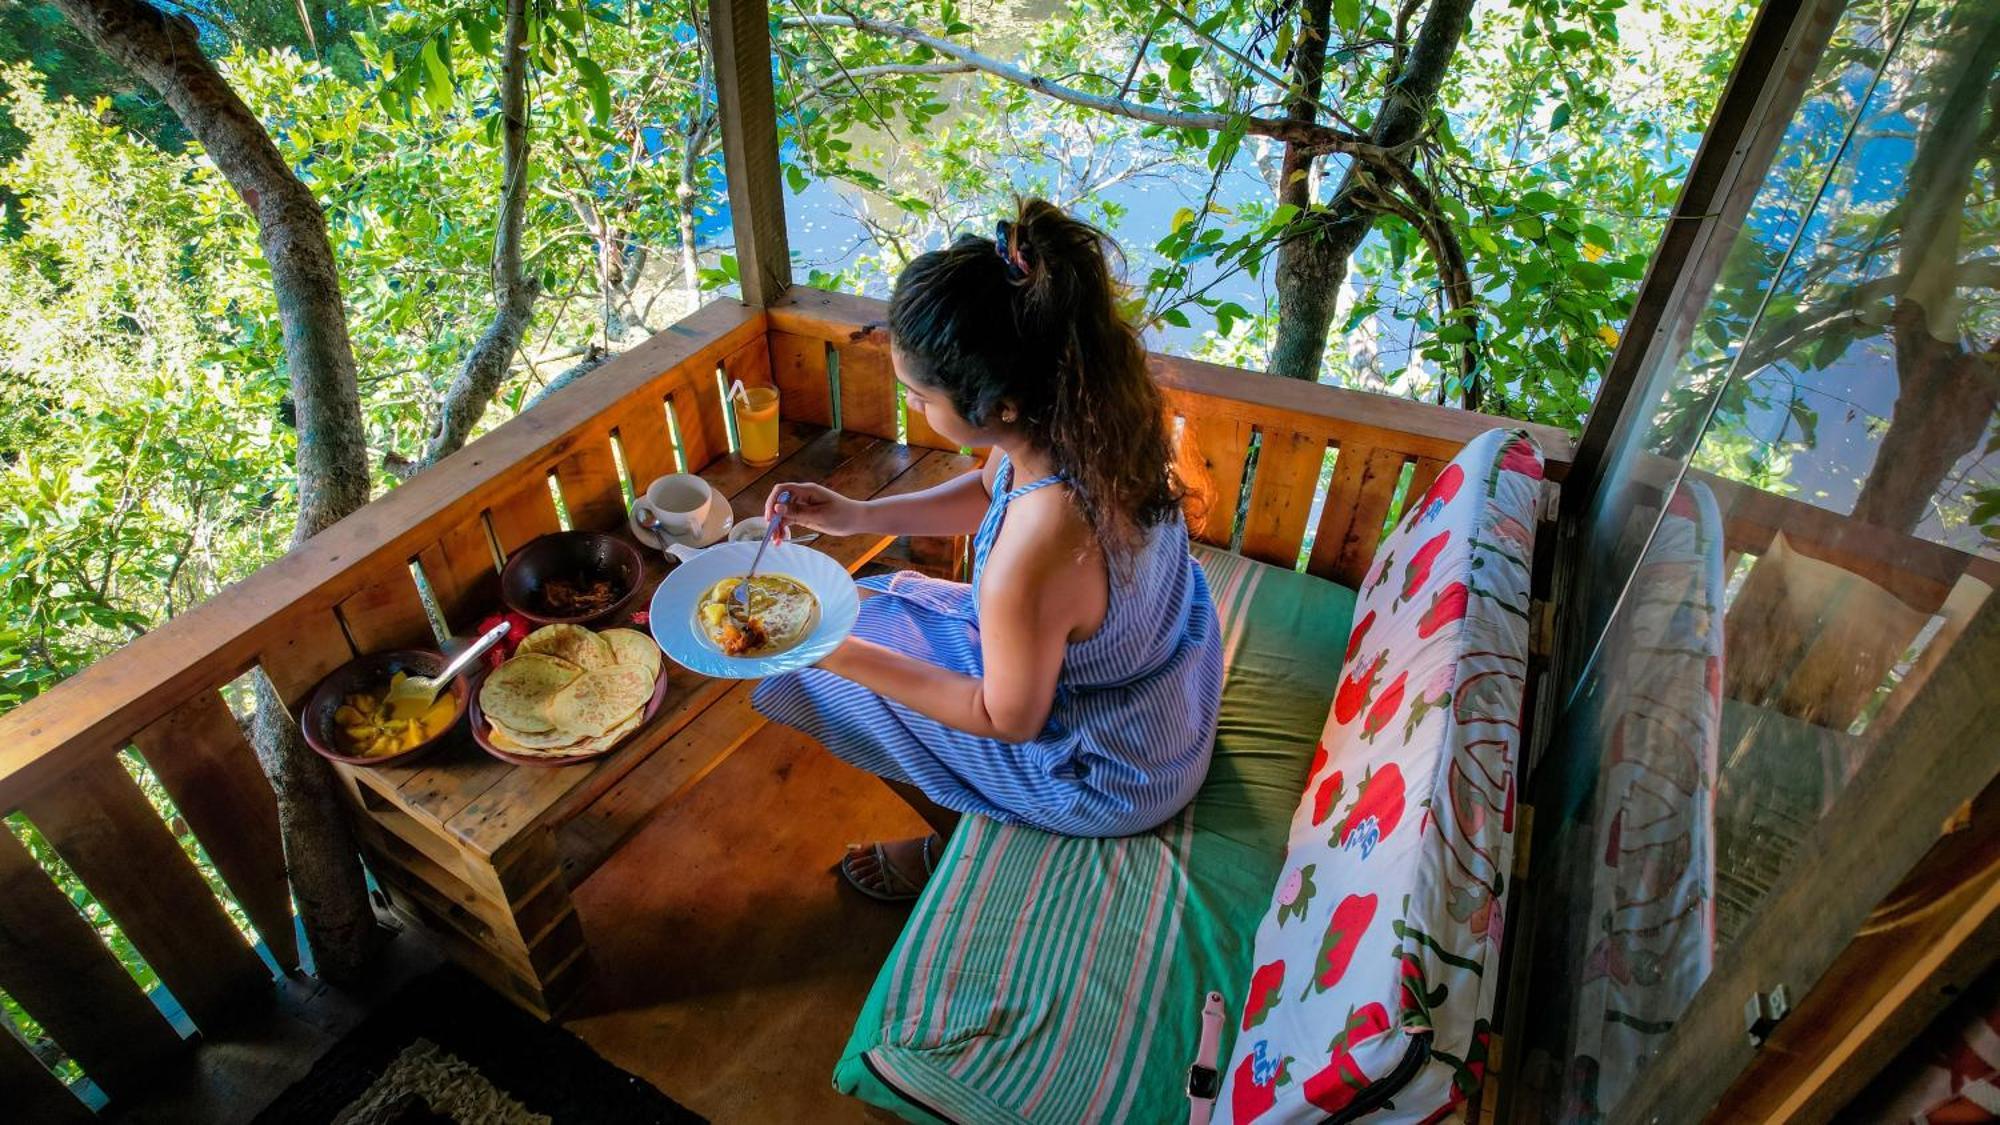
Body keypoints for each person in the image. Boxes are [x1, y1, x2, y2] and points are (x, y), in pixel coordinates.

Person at [751, 200, 1224, 901]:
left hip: (1114, 769)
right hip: (1166, 683)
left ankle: (948, 842)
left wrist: (823, 648)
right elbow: (988, 490)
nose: (912, 406)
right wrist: (858, 515)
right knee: (874, 600)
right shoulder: (1092, 411)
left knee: (823, 673)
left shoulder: (1036, 553)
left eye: (918, 394)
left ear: (998, 402)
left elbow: (1008, 718)